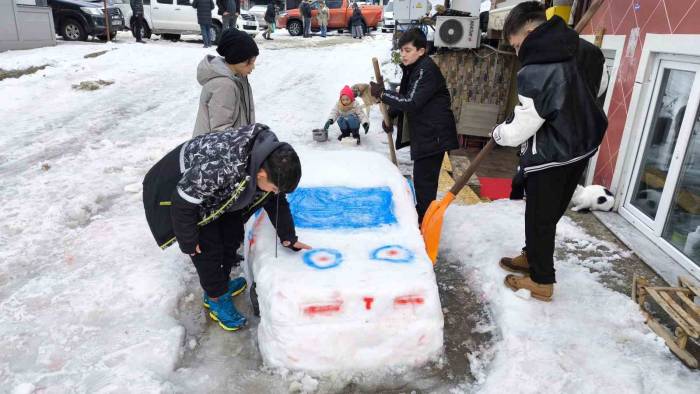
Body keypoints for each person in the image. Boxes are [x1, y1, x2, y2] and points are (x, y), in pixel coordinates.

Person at [143, 123, 311, 332]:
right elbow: (182, 201)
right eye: (275, 187)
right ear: (260, 174)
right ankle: (215, 298)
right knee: (207, 250)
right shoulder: (223, 167)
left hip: (215, 193)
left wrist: (288, 236)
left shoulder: (269, 161)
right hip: (177, 192)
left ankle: (220, 285)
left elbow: (276, 201)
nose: (276, 193)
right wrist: (188, 239)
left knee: (231, 236)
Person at [493, 2, 607, 301]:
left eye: (516, 45)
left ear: (530, 31)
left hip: (553, 154)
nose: (517, 52)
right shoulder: (586, 50)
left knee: (539, 217)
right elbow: (601, 85)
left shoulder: (537, 69)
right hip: (583, 144)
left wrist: (499, 133)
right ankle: (532, 256)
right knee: (550, 212)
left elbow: (522, 126)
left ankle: (542, 281)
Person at [369, 28, 458, 224]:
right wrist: (391, 115)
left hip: (434, 134)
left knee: (424, 182)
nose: (403, 54)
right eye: (401, 51)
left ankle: (424, 223)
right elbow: (409, 98)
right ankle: (422, 216)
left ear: (421, 50)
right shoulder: (414, 69)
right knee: (421, 181)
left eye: (408, 50)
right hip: (427, 133)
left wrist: (383, 94)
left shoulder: (426, 70)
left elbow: (411, 101)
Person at [193, 28, 258, 136]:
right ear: (236, 58)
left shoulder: (237, 77)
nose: (253, 67)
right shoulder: (224, 85)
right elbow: (220, 131)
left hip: (232, 146)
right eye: (249, 62)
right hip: (216, 150)